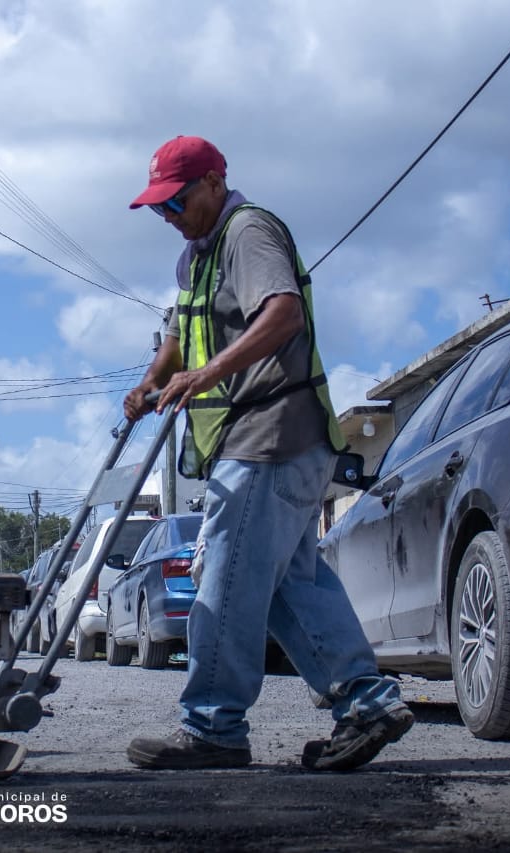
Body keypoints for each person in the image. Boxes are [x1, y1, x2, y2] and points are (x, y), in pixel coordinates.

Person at [121, 136, 412, 772]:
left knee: (224, 582)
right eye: (159, 208)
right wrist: (151, 382)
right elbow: (179, 335)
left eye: (177, 201)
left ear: (215, 183)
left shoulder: (247, 234)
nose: (169, 217)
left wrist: (205, 374)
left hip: (270, 436)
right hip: (270, 444)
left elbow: (282, 315)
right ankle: (367, 704)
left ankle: (214, 728)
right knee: (287, 585)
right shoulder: (196, 258)